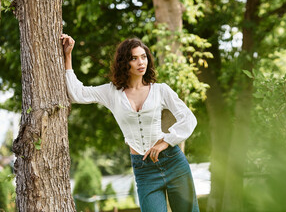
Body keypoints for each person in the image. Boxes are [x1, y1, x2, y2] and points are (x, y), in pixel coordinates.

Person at [61, 34, 200, 212]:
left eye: (144, 57)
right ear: (124, 63)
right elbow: (76, 94)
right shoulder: (112, 93)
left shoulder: (160, 90)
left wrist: (166, 141)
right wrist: (68, 56)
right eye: (134, 58)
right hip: (144, 169)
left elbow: (189, 118)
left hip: (173, 162)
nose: (141, 62)